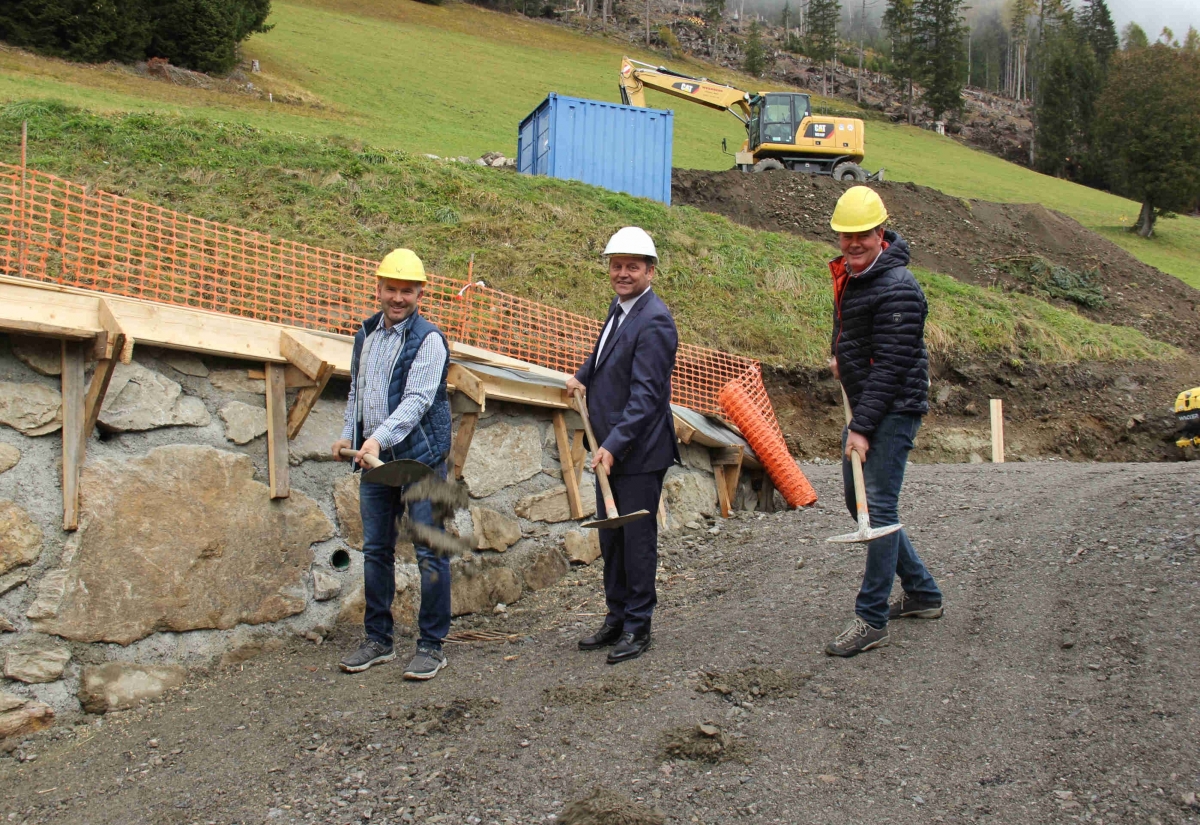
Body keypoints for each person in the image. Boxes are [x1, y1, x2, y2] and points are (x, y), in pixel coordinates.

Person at [824, 187, 944, 658]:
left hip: (892, 407)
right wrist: (842, 356)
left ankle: (871, 618)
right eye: (845, 235)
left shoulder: (899, 287)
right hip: (870, 400)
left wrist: (862, 426)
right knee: (861, 503)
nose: (852, 244)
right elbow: (858, 333)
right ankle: (922, 594)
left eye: (863, 235)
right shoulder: (858, 275)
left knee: (878, 508)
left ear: (881, 233)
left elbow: (892, 367)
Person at [332, 248, 454, 680]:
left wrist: (376, 439)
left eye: (407, 290)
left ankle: (432, 645)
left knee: (429, 551)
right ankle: (378, 639)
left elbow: (419, 400)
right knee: (378, 550)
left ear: (421, 292)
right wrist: (350, 432)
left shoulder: (429, 339)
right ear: (378, 288)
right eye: (391, 289)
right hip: (374, 461)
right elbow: (357, 391)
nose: (398, 298)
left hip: (421, 461)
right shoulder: (366, 334)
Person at [566, 227, 679, 665]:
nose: (623, 272)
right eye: (617, 265)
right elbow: (602, 353)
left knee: (635, 540)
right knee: (612, 538)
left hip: (637, 451)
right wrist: (582, 375)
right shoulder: (620, 308)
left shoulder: (655, 320)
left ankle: (638, 625)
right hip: (609, 448)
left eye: (633, 266)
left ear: (650, 270)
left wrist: (613, 446)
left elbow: (647, 396)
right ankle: (615, 617)